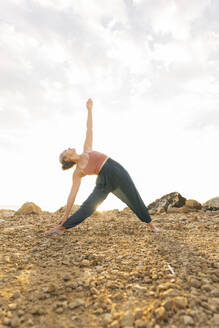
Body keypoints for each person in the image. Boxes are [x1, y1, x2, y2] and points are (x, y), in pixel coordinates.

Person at [45, 98, 159, 235]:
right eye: (65, 150)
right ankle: (61, 228)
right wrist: (65, 215)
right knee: (88, 206)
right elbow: (72, 194)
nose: (68, 147)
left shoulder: (87, 149)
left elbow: (89, 129)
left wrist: (89, 110)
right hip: (103, 181)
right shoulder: (77, 172)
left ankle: (151, 225)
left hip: (116, 170)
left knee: (134, 198)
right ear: (66, 158)